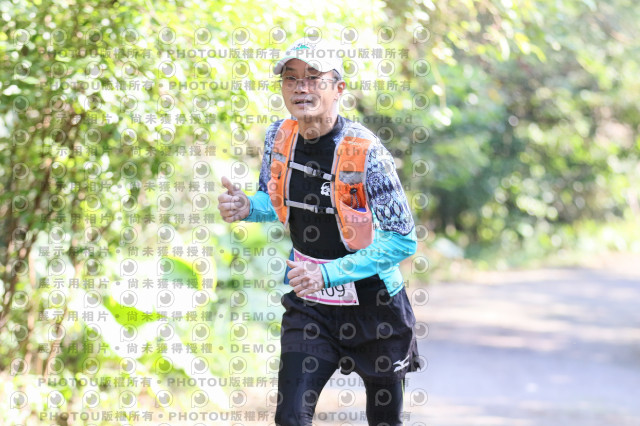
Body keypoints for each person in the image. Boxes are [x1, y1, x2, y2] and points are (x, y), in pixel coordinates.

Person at [217, 37, 420, 426]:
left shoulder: (367, 151)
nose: (301, 88)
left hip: (375, 307)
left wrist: (327, 274)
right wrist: (248, 207)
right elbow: (275, 200)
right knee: (291, 417)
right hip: (310, 306)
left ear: (338, 88)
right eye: (291, 78)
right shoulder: (280, 137)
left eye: (313, 77)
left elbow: (402, 239)